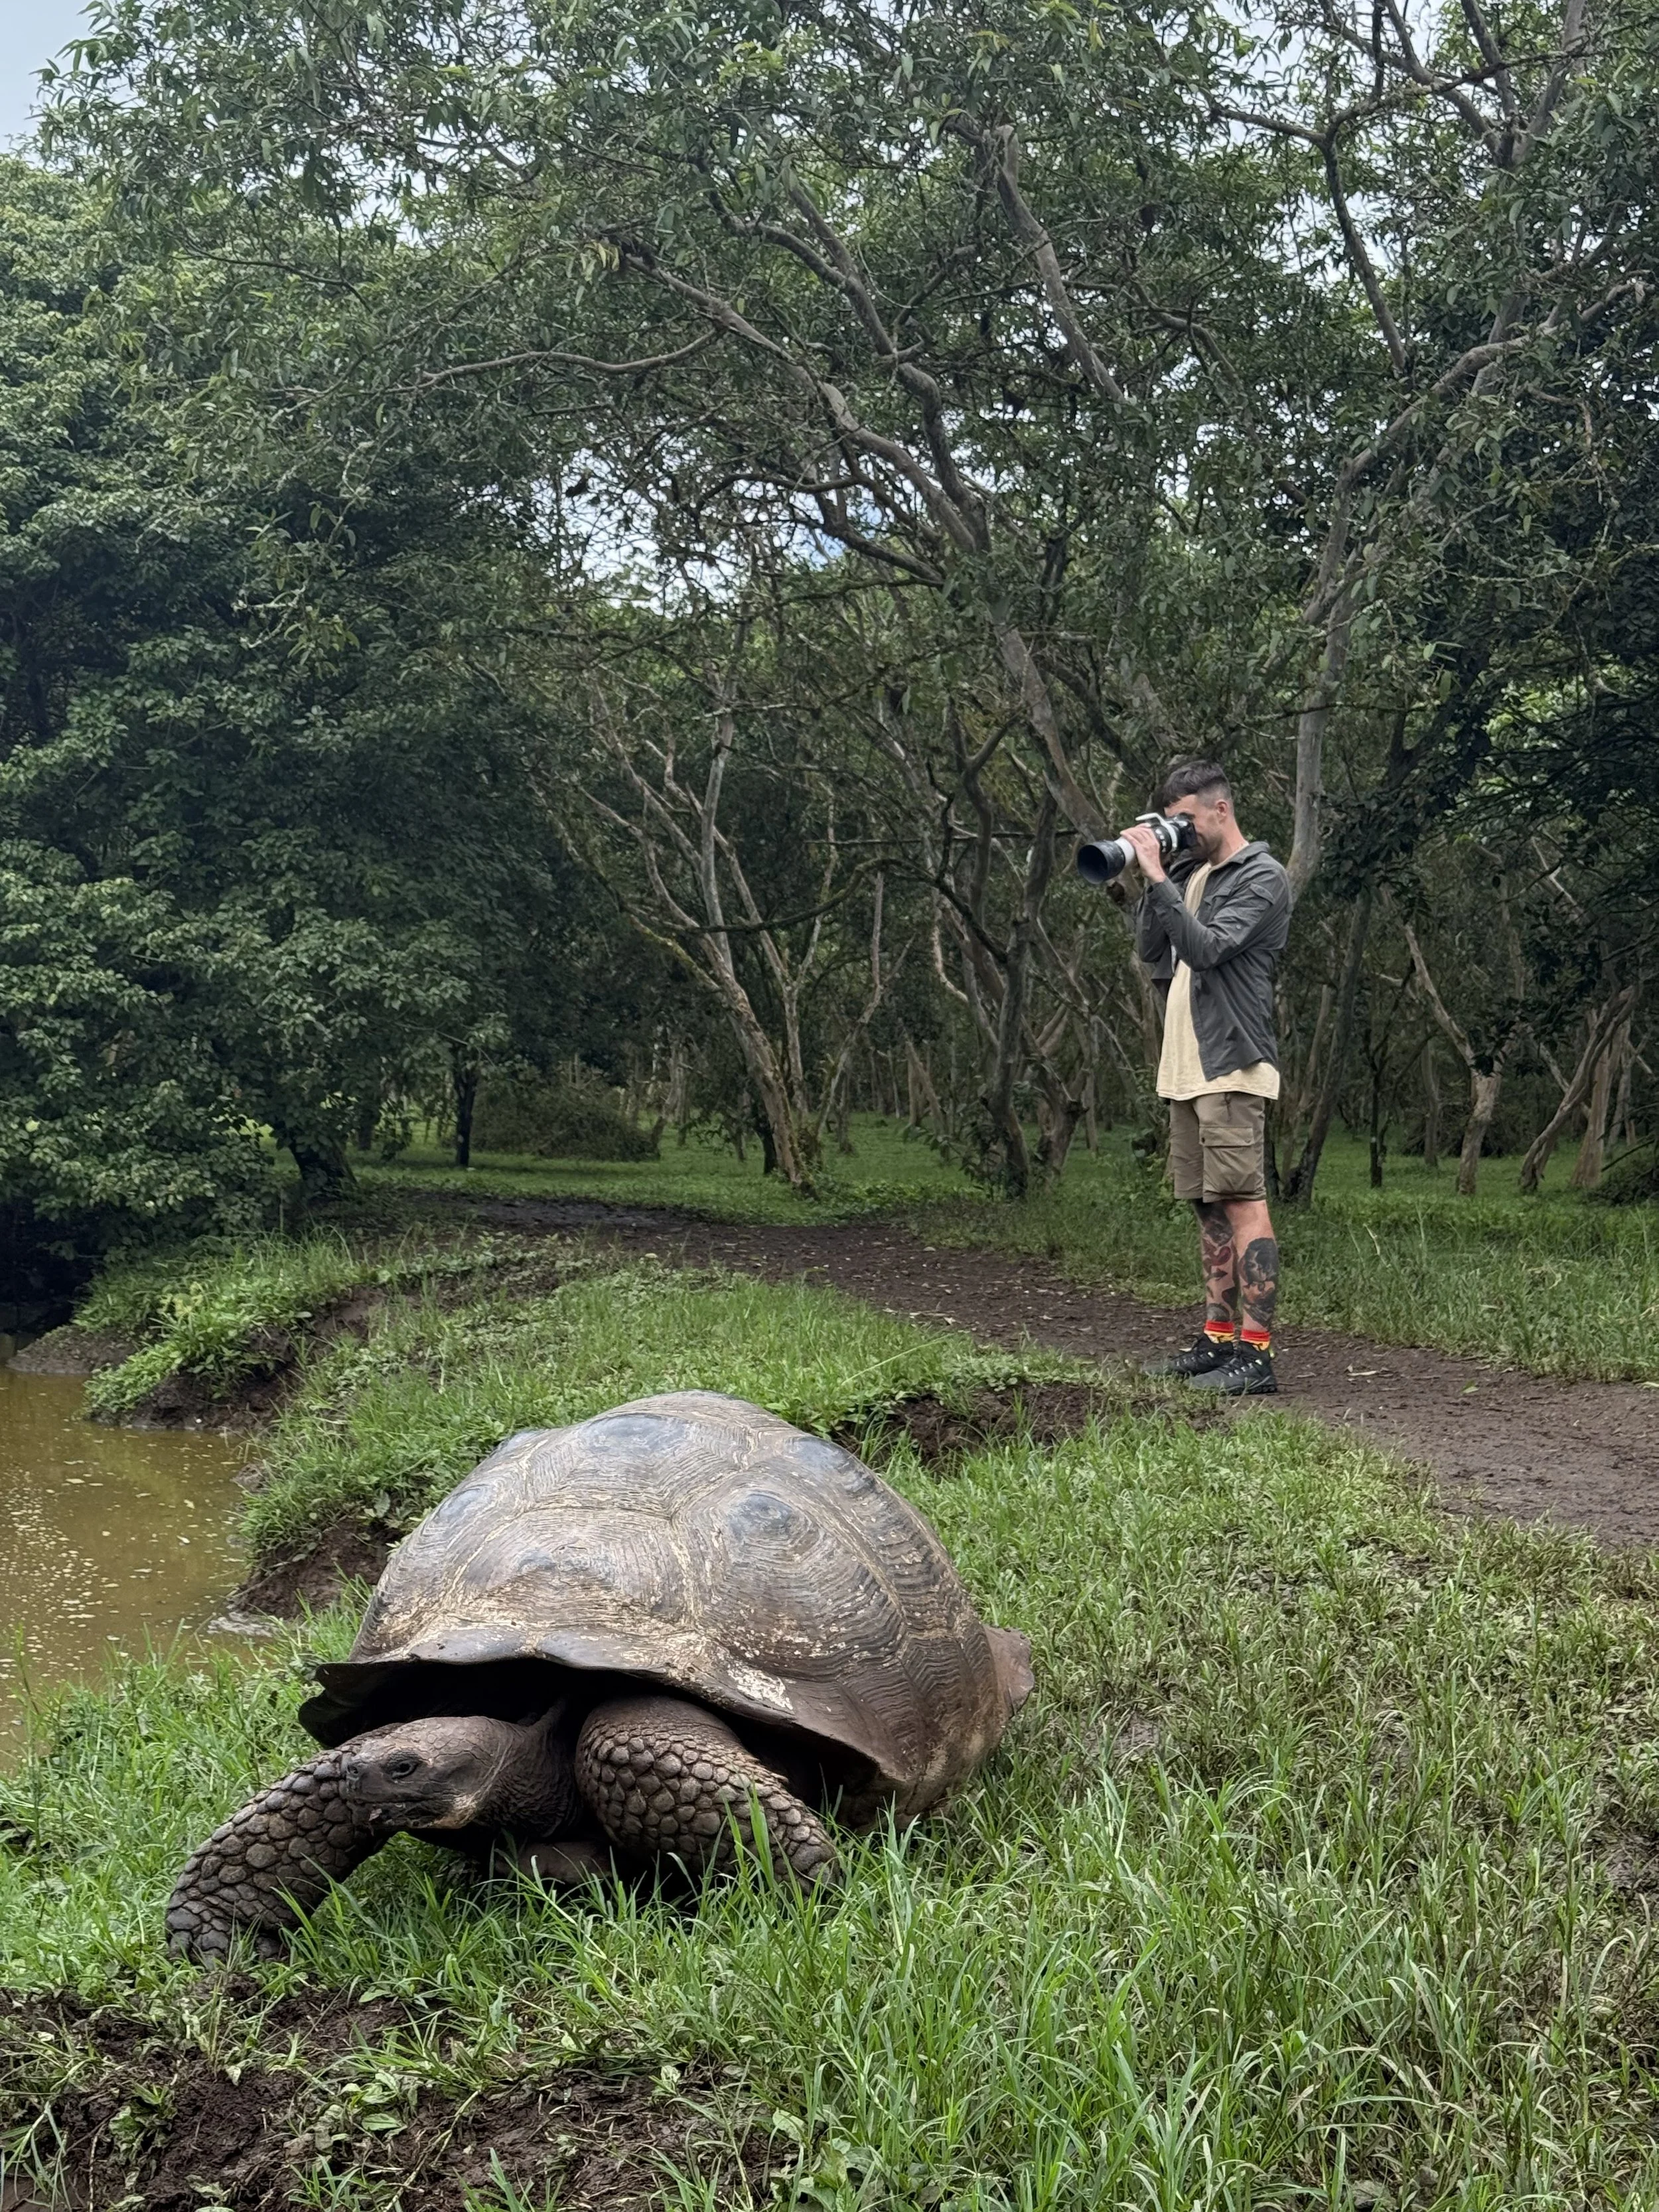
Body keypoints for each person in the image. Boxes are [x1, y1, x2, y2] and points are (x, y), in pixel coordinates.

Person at [1119, 759, 1291, 1396]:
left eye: (1187, 819)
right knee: (1207, 1207)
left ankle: (1256, 1355)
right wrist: (1153, 875)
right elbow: (1151, 951)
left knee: (1243, 1203)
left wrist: (1159, 875)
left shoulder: (1262, 877)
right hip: (1186, 1066)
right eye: (1173, 822)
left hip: (1232, 1063)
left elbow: (1208, 948)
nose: (1182, 831)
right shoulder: (1191, 874)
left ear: (1222, 808)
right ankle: (1218, 1339)